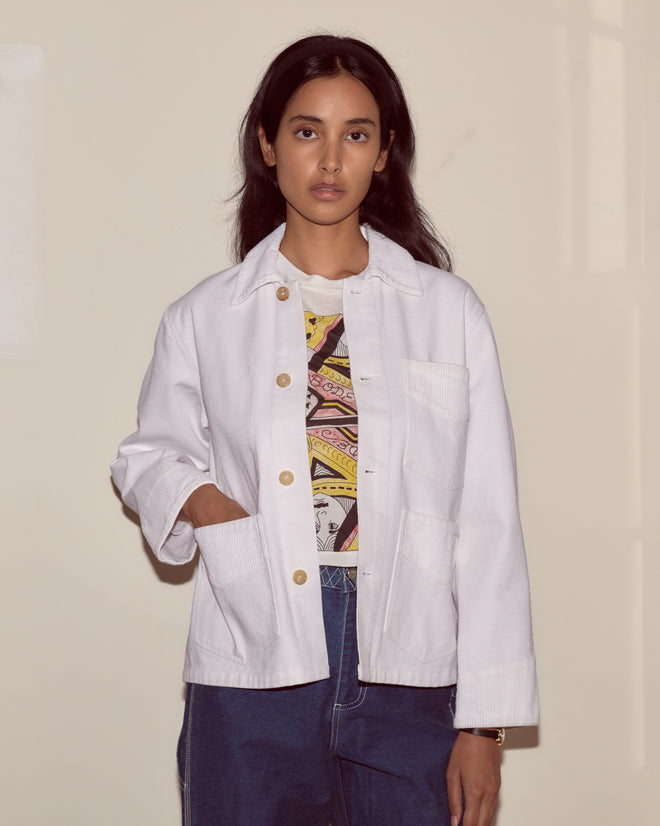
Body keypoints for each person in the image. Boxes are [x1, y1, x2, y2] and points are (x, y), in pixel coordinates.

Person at [112, 33, 539, 826]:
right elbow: (148, 454)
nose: (331, 160)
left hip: (410, 672)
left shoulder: (447, 313)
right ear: (267, 146)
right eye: (307, 131)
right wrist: (209, 505)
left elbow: (487, 525)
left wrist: (484, 723)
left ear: (384, 153)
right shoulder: (205, 316)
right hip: (253, 661)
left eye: (357, 134)